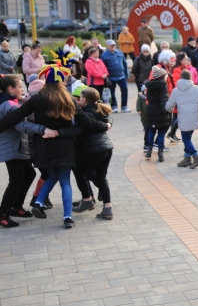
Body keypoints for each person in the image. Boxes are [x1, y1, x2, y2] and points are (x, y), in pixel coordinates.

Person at [0, 66, 110, 229]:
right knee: (65, 181)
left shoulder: (37, 99)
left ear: (46, 82)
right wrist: (105, 125)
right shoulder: (69, 99)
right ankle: (67, 217)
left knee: (51, 176)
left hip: (43, 146)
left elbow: (16, 116)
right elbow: (87, 122)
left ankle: (37, 202)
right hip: (65, 147)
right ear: (61, 82)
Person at [0, 75, 46, 227]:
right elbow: (22, 126)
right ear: (11, 89)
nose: (22, 90)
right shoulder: (9, 105)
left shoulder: (13, 102)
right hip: (12, 147)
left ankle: (15, 207)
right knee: (16, 180)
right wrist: (43, 129)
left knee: (29, 174)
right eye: (20, 87)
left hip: (17, 145)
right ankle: (2, 214)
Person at [71, 87, 114, 219]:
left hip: (94, 149)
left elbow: (78, 131)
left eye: (81, 98)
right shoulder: (100, 109)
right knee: (101, 177)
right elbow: (109, 121)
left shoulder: (86, 115)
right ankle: (107, 208)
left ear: (85, 99)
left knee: (79, 172)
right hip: (107, 148)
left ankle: (87, 200)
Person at [144, 66, 171, 162]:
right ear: (162, 77)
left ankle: (149, 151)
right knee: (160, 133)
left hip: (151, 110)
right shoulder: (163, 87)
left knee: (151, 131)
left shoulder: (149, 86)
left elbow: (148, 98)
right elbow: (163, 101)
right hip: (160, 111)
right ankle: (160, 153)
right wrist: (167, 111)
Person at [100, 40, 130, 113]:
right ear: (107, 46)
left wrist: (126, 73)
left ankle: (124, 106)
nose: (113, 46)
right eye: (111, 45)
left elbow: (124, 63)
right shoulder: (104, 55)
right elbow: (103, 66)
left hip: (121, 76)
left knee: (125, 90)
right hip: (111, 77)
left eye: (114, 44)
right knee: (111, 92)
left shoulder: (119, 52)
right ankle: (114, 106)